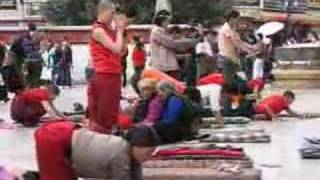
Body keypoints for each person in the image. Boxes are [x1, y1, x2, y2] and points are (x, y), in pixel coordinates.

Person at [35, 121, 161, 180]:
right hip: (55, 140)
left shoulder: (130, 151)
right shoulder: (120, 154)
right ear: (136, 145)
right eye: (148, 152)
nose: (149, 157)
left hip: (67, 134)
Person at [88, 0, 129, 133]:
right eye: (112, 13)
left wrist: (121, 31)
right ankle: (101, 136)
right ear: (104, 11)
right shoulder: (98, 30)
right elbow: (116, 49)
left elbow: (122, 51)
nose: (114, 16)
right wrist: (120, 30)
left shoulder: (110, 29)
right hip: (104, 73)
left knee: (113, 106)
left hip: (114, 72)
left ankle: (109, 133)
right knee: (104, 109)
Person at [217, 10, 256, 86]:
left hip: (232, 59)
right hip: (226, 59)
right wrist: (250, 51)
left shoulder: (232, 29)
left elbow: (240, 42)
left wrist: (251, 48)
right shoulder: (226, 29)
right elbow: (236, 43)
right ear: (232, 18)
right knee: (228, 84)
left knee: (234, 82)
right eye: (237, 19)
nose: (238, 21)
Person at [150, 11, 180, 79]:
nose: (168, 23)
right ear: (162, 21)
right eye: (167, 21)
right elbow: (171, 43)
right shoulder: (157, 31)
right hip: (163, 65)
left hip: (166, 64)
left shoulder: (163, 31)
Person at [23, 23, 44, 88]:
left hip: (27, 60)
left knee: (27, 77)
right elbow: (45, 45)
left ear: (28, 28)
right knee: (36, 77)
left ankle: (28, 90)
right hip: (37, 59)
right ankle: (35, 91)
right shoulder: (40, 35)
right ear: (35, 28)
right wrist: (40, 52)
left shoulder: (24, 36)